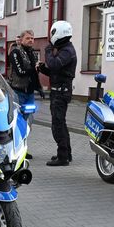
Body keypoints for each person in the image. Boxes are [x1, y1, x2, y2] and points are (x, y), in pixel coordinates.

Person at [38, 21, 77, 167]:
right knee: (62, 124)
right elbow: (57, 71)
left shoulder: (67, 51)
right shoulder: (65, 49)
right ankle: (67, 153)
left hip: (60, 93)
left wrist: (48, 50)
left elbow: (54, 64)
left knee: (57, 125)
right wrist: (43, 69)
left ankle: (63, 157)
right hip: (59, 91)